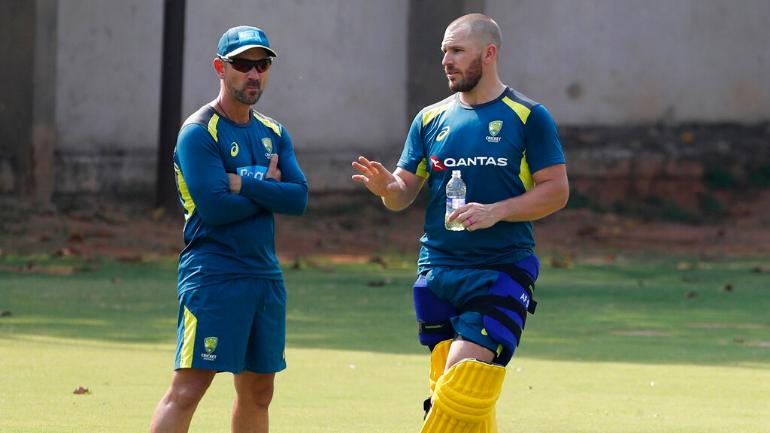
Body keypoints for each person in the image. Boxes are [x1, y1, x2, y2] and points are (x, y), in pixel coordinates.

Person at [351, 13, 568, 433]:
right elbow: (403, 195)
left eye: (457, 51)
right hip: (437, 272)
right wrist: (386, 187)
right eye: (444, 52)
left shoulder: (528, 116)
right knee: (468, 398)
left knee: (458, 381)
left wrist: (497, 210)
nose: (446, 61)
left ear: (488, 54)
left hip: (502, 268)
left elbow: (556, 191)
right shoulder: (430, 119)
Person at [150, 25, 308, 433]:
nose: (253, 74)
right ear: (221, 68)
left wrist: (244, 183)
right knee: (188, 390)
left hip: (264, 275)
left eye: (262, 64)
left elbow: (298, 199)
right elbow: (216, 208)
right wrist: (268, 188)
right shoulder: (199, 132)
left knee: (259, 392)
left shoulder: (273, 132)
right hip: (214, 275)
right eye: (242, 64)